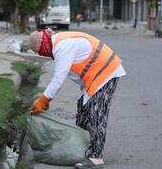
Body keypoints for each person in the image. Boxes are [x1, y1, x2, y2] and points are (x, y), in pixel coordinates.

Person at [28, 28, 126, 168]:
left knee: (96, 116)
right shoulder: (58, 43)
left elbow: (58, 79)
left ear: (43, 44)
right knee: (83, 115)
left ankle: (95, 158)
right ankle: (84, 149)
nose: (41, 54)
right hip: (94, 78)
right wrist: (46, 100)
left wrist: (43, 100)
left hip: (105, 73)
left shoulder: (62, 46)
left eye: (39, 51)